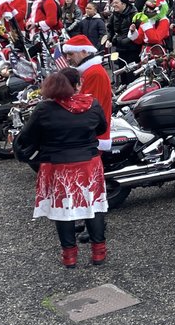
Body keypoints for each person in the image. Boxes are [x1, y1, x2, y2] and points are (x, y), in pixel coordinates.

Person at [14, 68, 109, 268]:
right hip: (89, 164)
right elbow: (101, 128)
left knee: (64, 211)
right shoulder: (92, 104)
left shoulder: (44, 110)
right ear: (76, 85)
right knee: (94, 206)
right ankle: (99, 252)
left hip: (59, 166)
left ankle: (70, 257)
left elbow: (28, 137)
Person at [62, 35, 114, 151]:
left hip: (93, 136)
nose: (67, 58)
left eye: (70, 54)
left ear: (84, 52)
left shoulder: (94, 73)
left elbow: (91, 107)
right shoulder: (89, 71)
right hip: (90, 134)